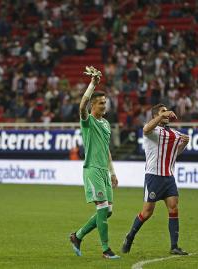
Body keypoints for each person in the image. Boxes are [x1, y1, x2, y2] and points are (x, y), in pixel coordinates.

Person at [121, 104, 190, 255]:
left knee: (173, 207)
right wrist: (162, 116)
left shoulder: (174, 134)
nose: (166, 114)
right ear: (155, 116)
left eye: (166, 111)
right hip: (153, 176)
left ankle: (174, 246)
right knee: (147, 213)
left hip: (169, 177)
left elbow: (175, 153)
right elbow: (145, 129)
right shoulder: (152, 131)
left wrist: (184, 143)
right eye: (162, 111)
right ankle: (130, 236)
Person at [69, 66, 120, 259]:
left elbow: (106, 149)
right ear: (93, 106)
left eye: (105, 103)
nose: (104, 106)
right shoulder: (87, 121)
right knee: (102, 207)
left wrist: (113, 172)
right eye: (100, 104)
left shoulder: (106, 124)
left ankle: (78, 235)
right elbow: (81, 105)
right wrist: (92, 84)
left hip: (104, 172)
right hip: (92, 170)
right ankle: (106, 250)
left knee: (107, 212)